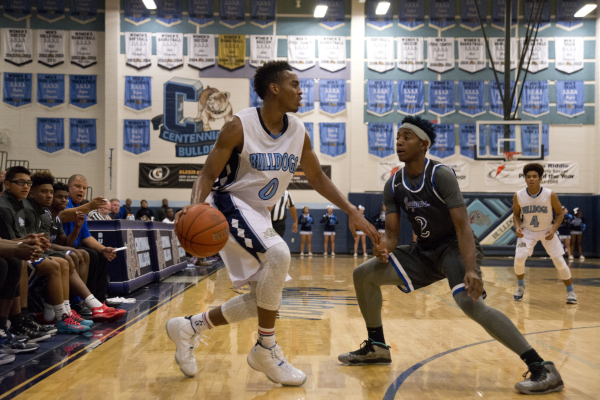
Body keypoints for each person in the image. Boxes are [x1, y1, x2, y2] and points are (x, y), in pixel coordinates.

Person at [166, 60, 378, 386]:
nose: (301, 90)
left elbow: (317, 176)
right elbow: (208, 174)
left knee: (262, 299)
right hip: (228, 203)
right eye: (295, 84)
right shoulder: (239, 126)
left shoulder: (298, 131)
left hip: (259, 212)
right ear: (274, 88)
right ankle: (266, 349)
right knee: (279, 255)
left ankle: (189, 326)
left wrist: (352, 209)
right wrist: (194, 208)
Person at [338, 116, 564, 396]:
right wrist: (382, 246)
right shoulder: (393, 183)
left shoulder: (440, 174)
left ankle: (542, 366)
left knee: (470, 305)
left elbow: (463, 226)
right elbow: (394, 236)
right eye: (398, 136)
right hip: (424, 251)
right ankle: (377, 347)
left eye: (406, 136)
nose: (399, 141)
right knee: (364, 274)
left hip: (454, 247)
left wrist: (470, 268)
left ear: (424, 144)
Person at [0, 167, 84, 337]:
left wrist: (32, 241)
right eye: (21, 182)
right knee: (21, 261)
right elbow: (14, 245)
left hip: (18, 252)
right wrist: (27, 244)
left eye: (28, 183)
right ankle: (20, 320)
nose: (26, 186)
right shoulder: (10, 207)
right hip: (15, 255)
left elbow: (20, 240)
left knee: (74, 256)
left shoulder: (29, 208)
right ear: (7, 184)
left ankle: (64, 311)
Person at [50, 182, 125, 321]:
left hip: (67, 246)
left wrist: (103, 249)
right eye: (77, 186)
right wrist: (89, 206)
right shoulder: (61, 209)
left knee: (99, 254)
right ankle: (79, 302)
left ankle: (98, 300)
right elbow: (63, 216)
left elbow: (85, 236)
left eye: (84, 188)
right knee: (84, 254)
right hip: (57, 249)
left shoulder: (74, 211)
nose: (81, 190)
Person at [512, 163, 577, 305]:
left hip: (547, 230)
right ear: (525, 179)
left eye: (534, 176)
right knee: (519, 258)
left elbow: (560, 214)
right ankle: (521, 286)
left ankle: (571, 292)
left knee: (559, 262)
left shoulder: (549, 194)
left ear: (541, 178)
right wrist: (517, 227)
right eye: (528, 177)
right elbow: (516, 215)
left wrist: (553, 230)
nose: (531, 179)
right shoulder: (518, 195)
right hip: (528, 231)